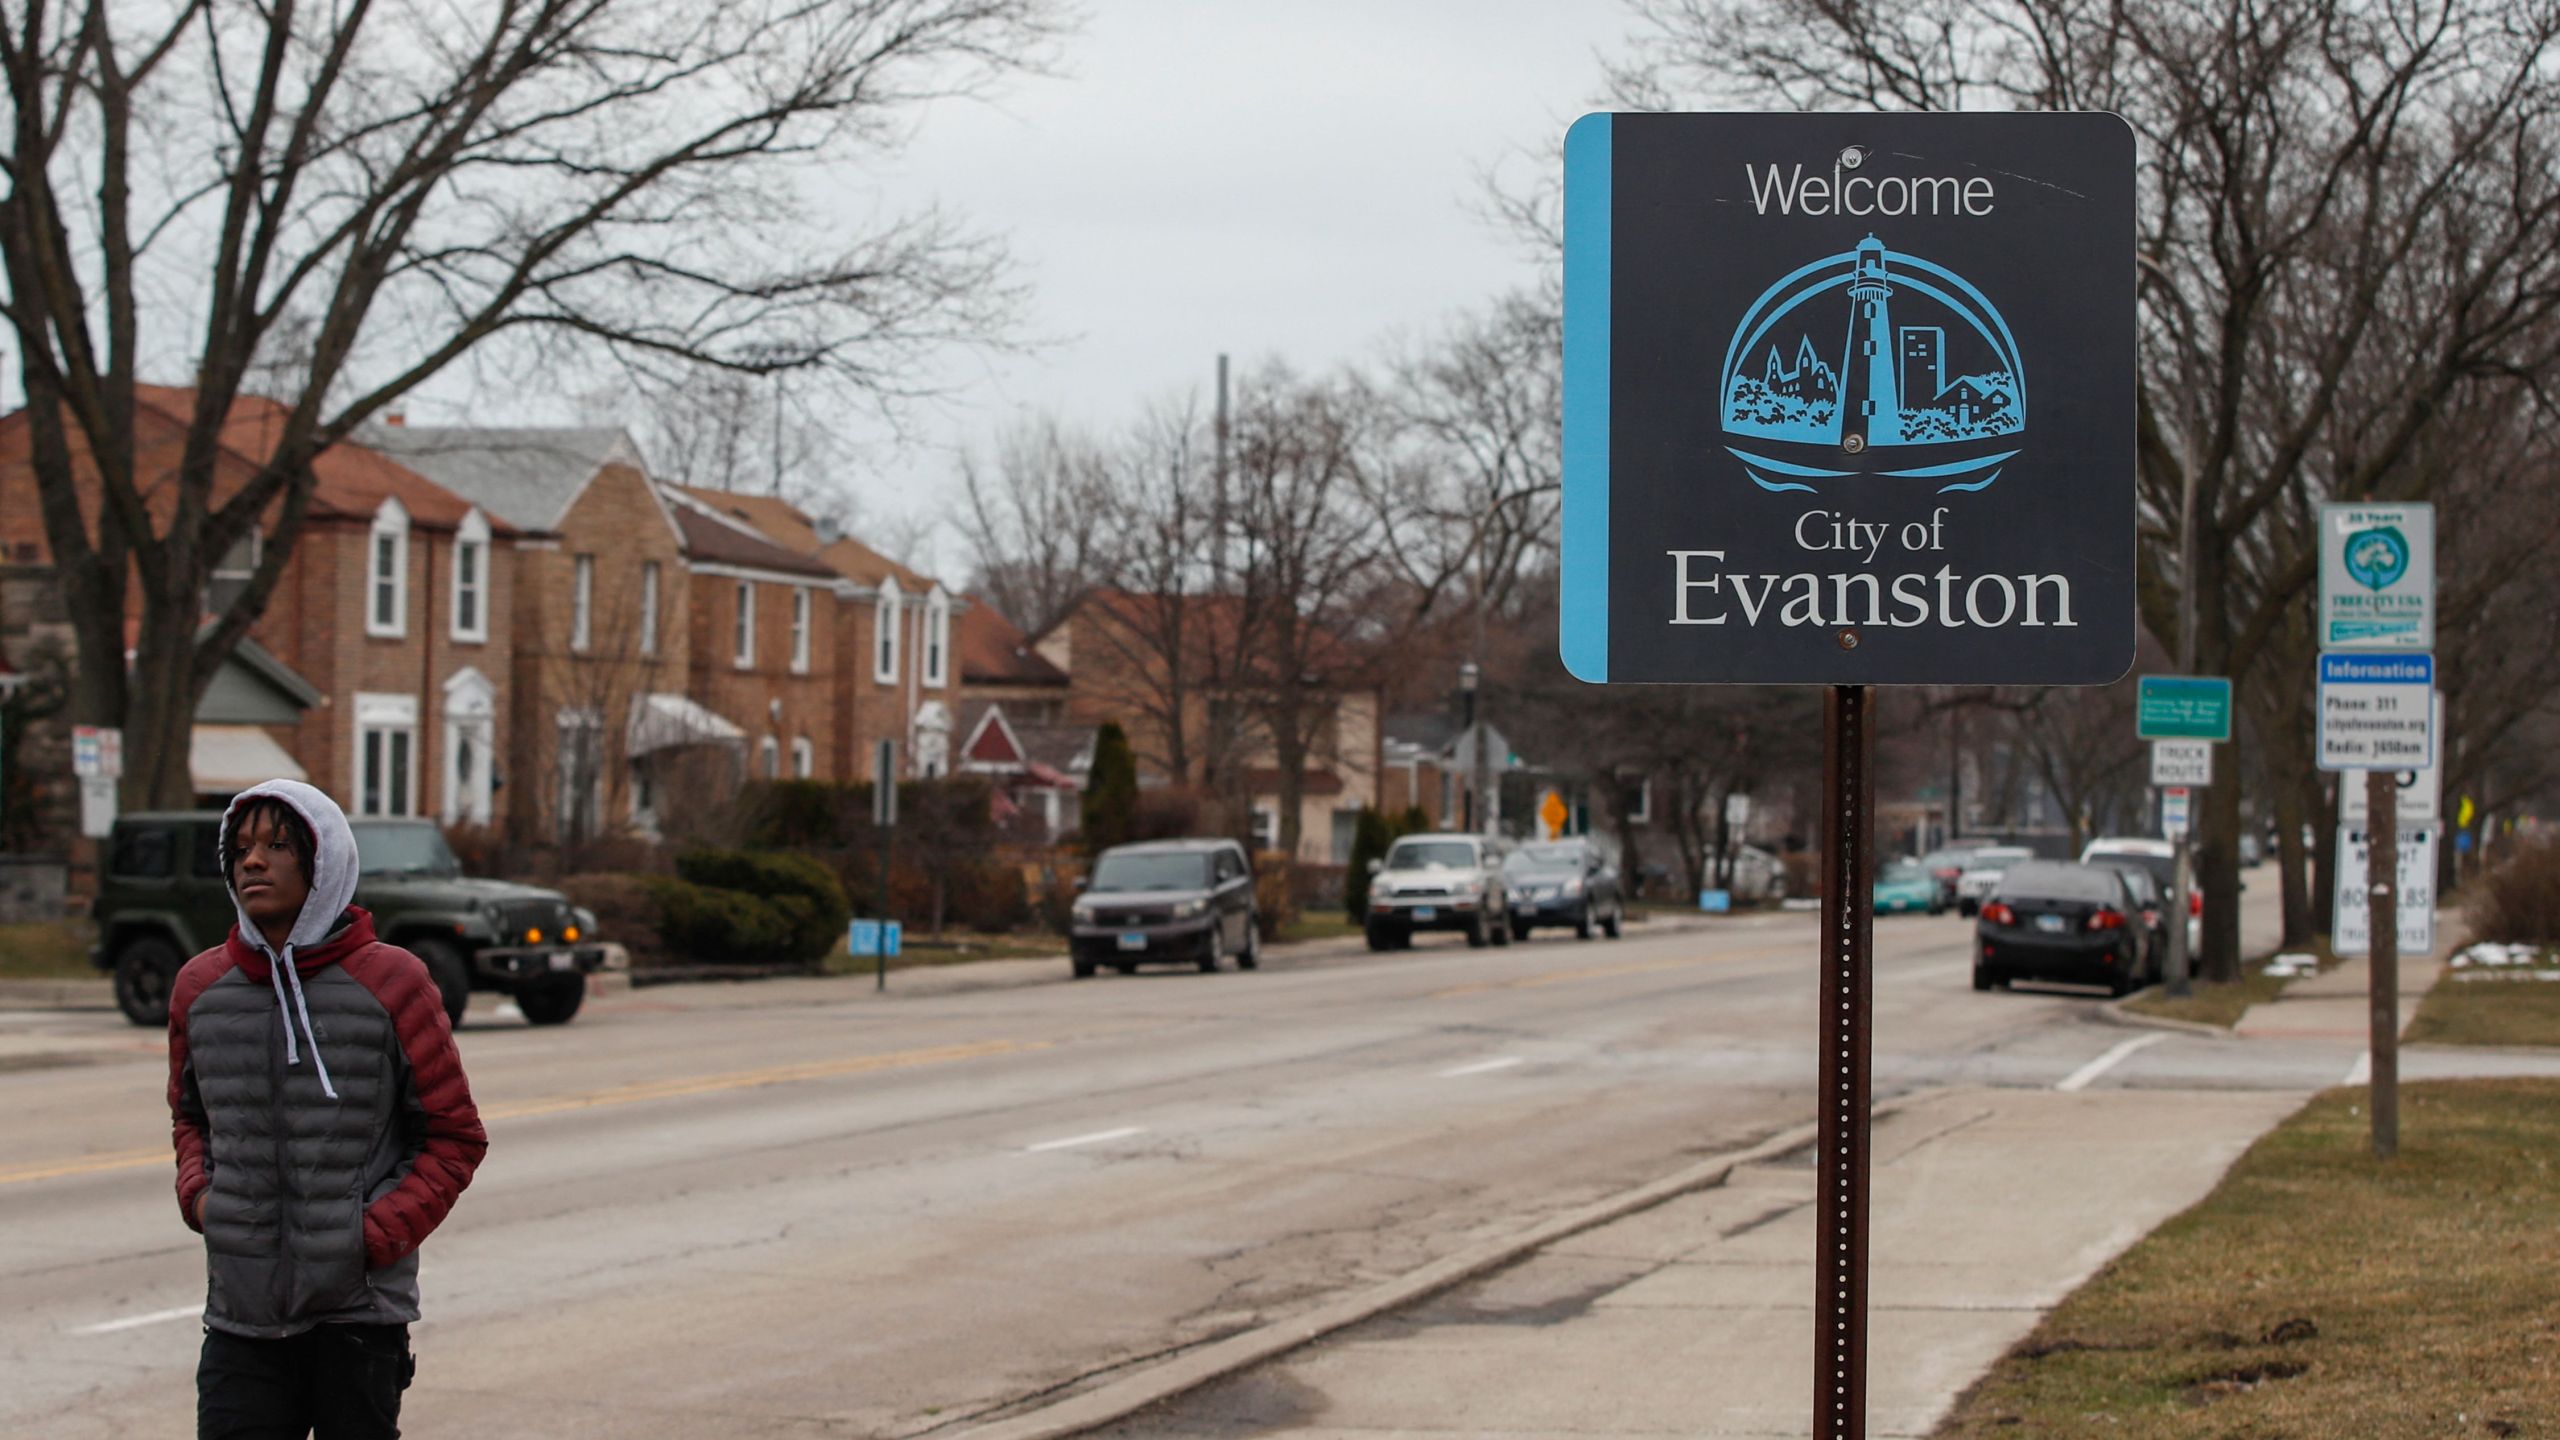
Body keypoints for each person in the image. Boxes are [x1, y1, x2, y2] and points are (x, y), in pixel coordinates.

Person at [167, 780, 488, 1438]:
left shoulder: (394, 981)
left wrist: (369, 1239)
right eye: (243, 847)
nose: (253, 861)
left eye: (279, 845)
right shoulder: (200, 988)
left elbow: (454, 1137)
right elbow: (191, 1117)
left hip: (358, 1319)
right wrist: (202, 1198)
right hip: (240, 1317)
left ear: (325, 863)